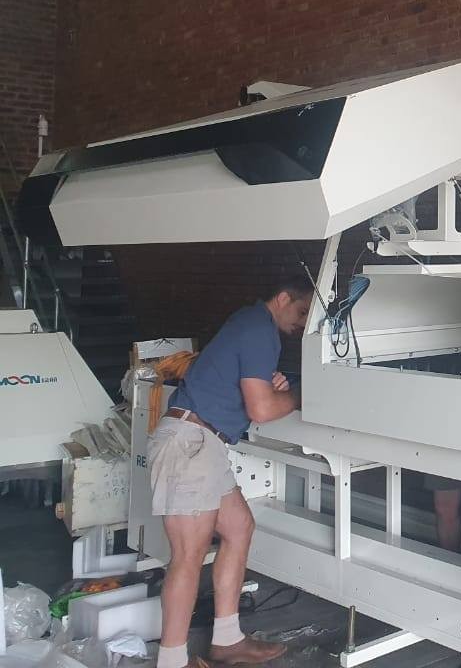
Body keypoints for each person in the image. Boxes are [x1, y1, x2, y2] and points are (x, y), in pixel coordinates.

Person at [148, 275, 313, 668]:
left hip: (204, 444)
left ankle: (227, 640)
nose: (303, 322)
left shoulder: (251, 325)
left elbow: (254, 391)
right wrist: (298, 395)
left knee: (238, 527)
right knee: (188, 555)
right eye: (302, 311)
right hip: (190, 443)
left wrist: (275, 387)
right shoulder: (259, 329)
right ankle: (172, 661)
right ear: (282, 298)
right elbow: (262, 409)